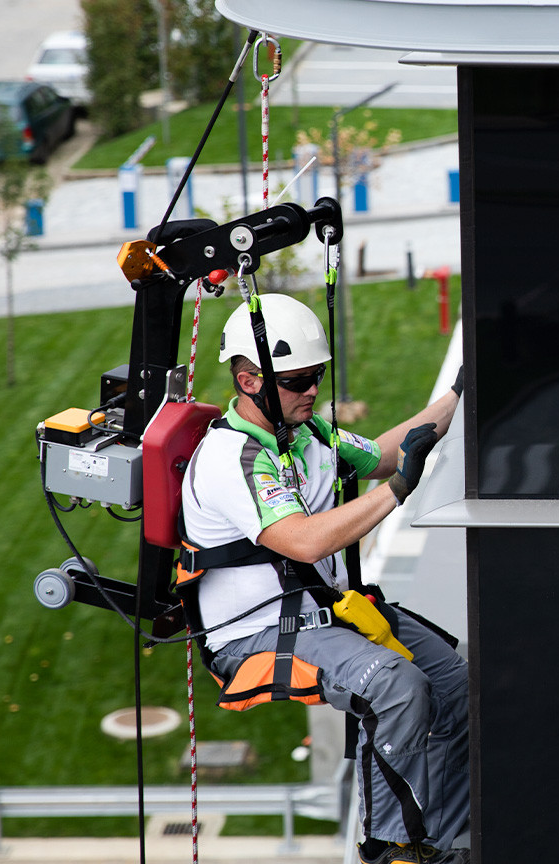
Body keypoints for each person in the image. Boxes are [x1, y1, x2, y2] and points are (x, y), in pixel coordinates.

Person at [179, 293, 467, 864]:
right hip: (255, 633)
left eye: (316, 375)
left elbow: (386, 455)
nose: (312, 389)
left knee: (455, 685)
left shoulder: (303, 437)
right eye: (298, 379)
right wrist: (398, 491)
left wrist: (460, 393)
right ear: (248, 379)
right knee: (395, 688)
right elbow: (304, 540)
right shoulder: (233, 458)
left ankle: (446, 838)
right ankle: (391, 848)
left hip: (321, 611)